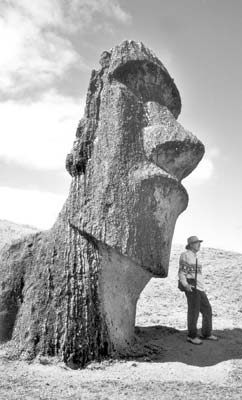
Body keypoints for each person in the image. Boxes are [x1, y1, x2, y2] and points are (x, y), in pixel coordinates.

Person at [178, 236, 218, 345]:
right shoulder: (185, 255)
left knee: (207, 310)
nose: (199, 244)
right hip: (192, 287)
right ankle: (192, 336)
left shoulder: (196, 257)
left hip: (200, 288)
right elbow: (182, 272)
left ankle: (206, 333)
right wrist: (186, 285)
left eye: (199, 243)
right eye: (196, 243)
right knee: (193, 312)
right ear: (190, 244)